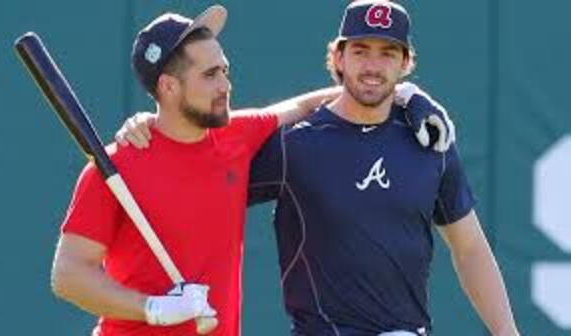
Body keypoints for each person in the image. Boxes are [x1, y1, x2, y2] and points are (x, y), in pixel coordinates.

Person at [91, 3, 455, 336]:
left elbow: (311, 103)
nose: (225, 84)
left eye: (224, 70)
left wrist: (407, 96)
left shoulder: (238, 136)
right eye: (210, 75)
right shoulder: (118, 163)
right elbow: (68, 276)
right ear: (169, 87)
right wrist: (153, 309)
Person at [246, 1, 519, 335]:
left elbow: (470, 248)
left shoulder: (430, 141)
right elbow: (212, 188)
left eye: (388, 53)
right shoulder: (295, 145)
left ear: (405, 63)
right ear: (338, 58)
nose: (373, 66)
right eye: (360, 51)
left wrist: (508, 332)